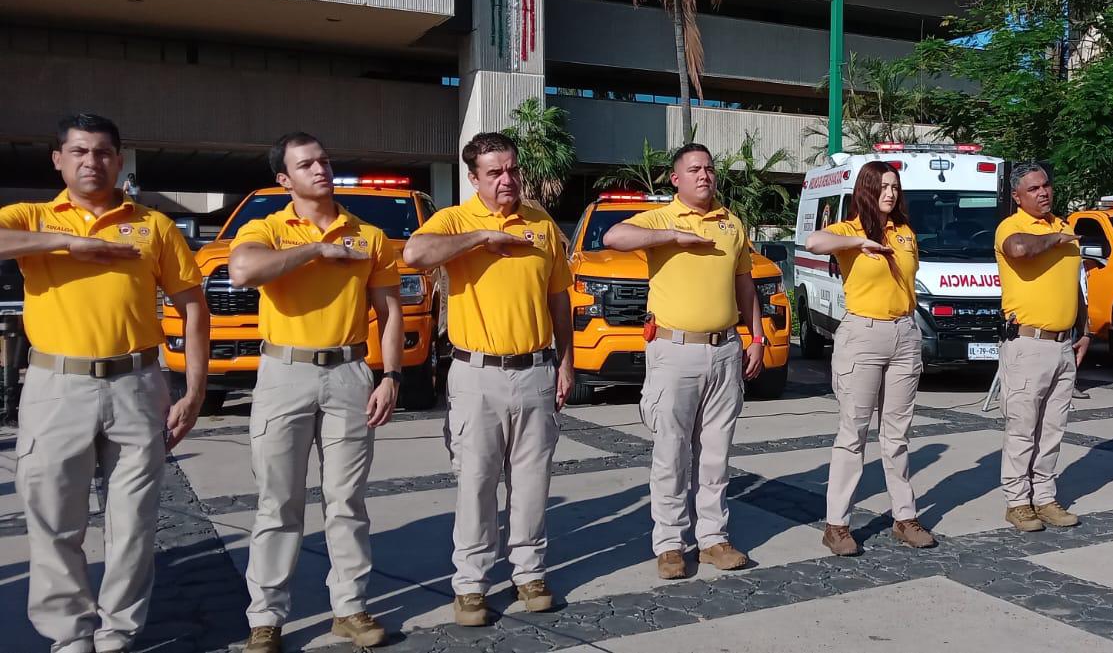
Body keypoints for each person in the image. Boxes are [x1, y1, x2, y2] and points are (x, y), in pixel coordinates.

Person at [0, 114, 210, 653]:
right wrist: (67, 245)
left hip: (137, 384)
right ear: (58, 158)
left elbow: (192, 305)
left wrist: (193, 388)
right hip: (55, 384)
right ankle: (69, 634)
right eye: (78, 152)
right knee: (52, 517)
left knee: (135, 521)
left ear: (119, 159)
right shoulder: (31, 216)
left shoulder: (152, 225)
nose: (91, 162)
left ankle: (119, 631)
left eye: (102, 152)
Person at [228, 132, 403, 652]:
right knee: (278, 501)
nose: (319, 169)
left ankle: (349, 609)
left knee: (346, 500)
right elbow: (242, 271)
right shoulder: (265, 227)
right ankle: (267, 618)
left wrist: (390, 375)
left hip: (349, 372)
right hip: (285, 373)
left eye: (324, 160)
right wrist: (314, 250)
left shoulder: (369, 235)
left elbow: (388, 311)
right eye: (305, 165)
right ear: (284, 179)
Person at [403, 132, 574, 623]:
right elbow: (415, 255)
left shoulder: (540, 224)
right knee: (476, 481)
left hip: (536, 370)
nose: (508, 179)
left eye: (512, 169)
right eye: (495, 172)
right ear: (473, 178)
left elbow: (558, 297)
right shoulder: (454, 221)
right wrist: (483, 237)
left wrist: (566, 360)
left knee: (532, 481)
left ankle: (529, 572)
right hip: (476, 375)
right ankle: (472, 585)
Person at [602, 143, 765, 579]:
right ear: (675, 179)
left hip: (726, 349)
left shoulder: (731, 223)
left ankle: (713, 538)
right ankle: (671, 543)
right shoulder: (661, 217)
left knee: (715, 454)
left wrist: (757, 336)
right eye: (693, 169)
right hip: (674, 351)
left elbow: (745, 284)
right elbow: (613, 237)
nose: (704, 176)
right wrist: (672, 237)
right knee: (672, 452)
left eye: (709, 169)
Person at [803, 160, 935, 555]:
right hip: (863, 334)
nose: (890, 194)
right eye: (882, 187)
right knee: (853, 434)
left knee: (896, 435)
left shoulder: (906, 232)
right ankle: (837, 524)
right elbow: (813, 243)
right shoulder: (848, 229)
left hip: (903, 334)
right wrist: (858, 243)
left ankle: (904, 516)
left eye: (895, 186)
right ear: (866, 190)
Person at [992, 163, 1088, 531]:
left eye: (1046, 185)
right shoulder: (1012, 227)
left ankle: (1045, 496)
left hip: (1063, 344)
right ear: (1018, 196)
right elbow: (1018, 250)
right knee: (1022, 427)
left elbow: (1074, 283)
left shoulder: (1063, 227)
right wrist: (1059, 240)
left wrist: (1084, 329)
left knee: (1053, 428)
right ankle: (1017, 501)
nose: (1043, 192)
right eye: (1033, 189)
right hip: (1028, 343)